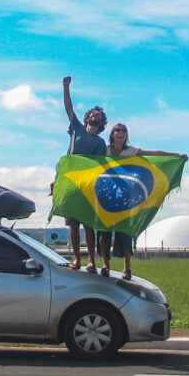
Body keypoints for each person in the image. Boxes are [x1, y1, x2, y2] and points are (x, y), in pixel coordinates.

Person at [98, 122, 187, 279]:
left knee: (126, 231)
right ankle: (106, 265)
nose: (120, 132)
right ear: (112, 134)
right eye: (117, 130)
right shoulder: (103, 150)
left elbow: (154, 154)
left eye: (123, 130)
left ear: (126, 135)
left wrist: (175, 156)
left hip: (125, 198)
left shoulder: (130, 152)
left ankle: (127, 268)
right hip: (105, 196)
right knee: (103, 232)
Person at [61, 75, 107, 273]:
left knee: (88, 225)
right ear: (88, 117)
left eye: (99, 115)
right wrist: (66, 87)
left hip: (88, 186)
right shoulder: (77, 128)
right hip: (70, 183)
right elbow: (69, 108)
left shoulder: (100, 142)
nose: (96, 116)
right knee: (73, 224)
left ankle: (91, 261)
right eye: (94, 113)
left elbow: (99, 166)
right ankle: (77, 259)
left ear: (102, 122)